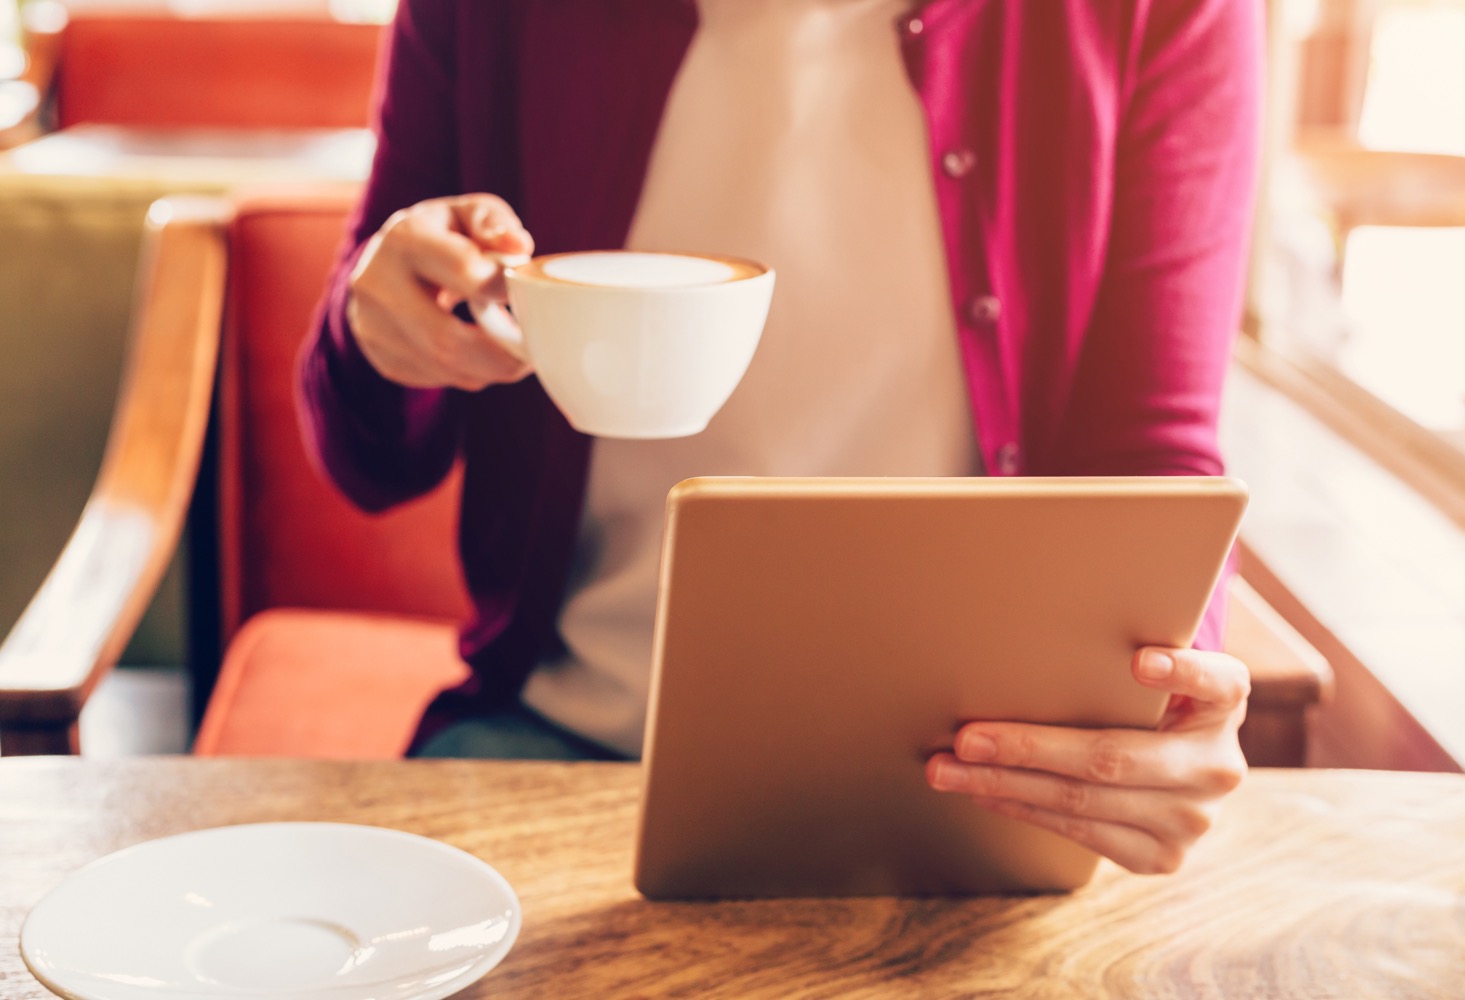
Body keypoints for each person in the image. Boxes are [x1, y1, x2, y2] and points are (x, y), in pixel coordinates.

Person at [301, 0, 1262, 876]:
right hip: (553, 733)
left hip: (978, 772)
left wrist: (1169, 708)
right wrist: (371, 327)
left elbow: (1157, 454)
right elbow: (371, 460)